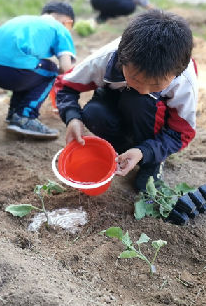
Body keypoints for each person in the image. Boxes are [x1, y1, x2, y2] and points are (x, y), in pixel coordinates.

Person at [55, 10, 197, 192]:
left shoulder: (184, 82)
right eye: (136, 79)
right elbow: (65, 85)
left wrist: (145, 152)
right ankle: (120, 148)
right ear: (122, 61)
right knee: (93, 113)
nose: (144, 89)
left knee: (140, 101)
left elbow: (181, 133)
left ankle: (150, 161)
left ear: (177, 72)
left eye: (156, 85)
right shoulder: (105, 59)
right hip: (115, 101)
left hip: (150, 117)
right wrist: (72, 117)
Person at [0, 2, 75, 139]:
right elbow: (66, 68)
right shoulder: (60, 28)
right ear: (68, 23)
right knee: (49, 70)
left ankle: (14, 114)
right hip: (13, 70)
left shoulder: (23, 20)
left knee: (31, 67)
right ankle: (25, 117)